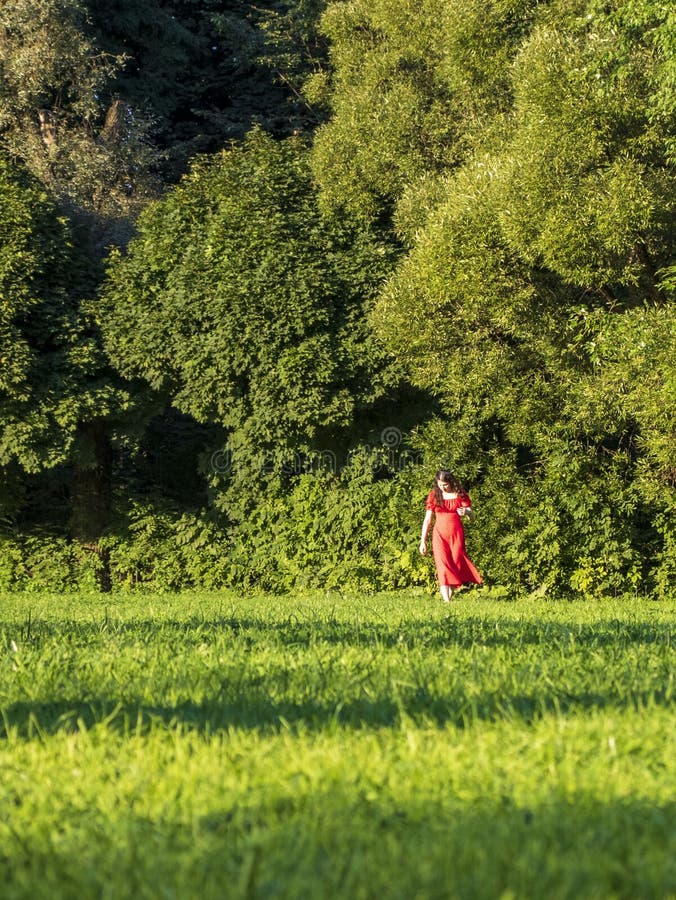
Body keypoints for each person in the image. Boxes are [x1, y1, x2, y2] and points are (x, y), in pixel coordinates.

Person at [419, 469, 482, 602]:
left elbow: (472, 516)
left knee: (456, 564)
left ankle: (449, 597)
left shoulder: (460, 494)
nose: (442, 487)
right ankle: (446, 601)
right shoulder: (434, 495)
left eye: (445, 484)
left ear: (450, 482)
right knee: (442, 565)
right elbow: (427, 519)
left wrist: (467, 512)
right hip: (439, 535)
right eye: (440, 484)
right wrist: (422, 541)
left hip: (456, 535)